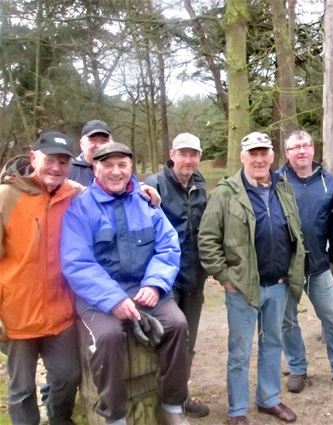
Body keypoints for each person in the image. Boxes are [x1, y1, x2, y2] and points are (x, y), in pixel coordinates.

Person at [60, 142, 191, 425]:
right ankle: (115, 416)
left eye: (122, 165)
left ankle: (172, 404)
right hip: (98, 295)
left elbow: (168, 247)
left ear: (131, 167)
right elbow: (77, 262)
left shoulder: (147, 203)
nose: (116, 172)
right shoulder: (80, 209)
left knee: (177, 325)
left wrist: (156, 284)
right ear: (94, 168)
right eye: (107, 165)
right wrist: (113, 299)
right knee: (107, 338)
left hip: (145, 288)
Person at [199, 132, 305, 425]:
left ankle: (269, 399)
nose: (259, 159)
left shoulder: (282, 187)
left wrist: (291, 270)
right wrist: (224, 276)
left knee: (272, 344)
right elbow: (207, 240)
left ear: (272, 157)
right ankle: (237, 410)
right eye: (253, 153)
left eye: (264, 153)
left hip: (278, 284)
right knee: (240, 351)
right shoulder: (226, 193)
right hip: (242, 288)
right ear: (243, 157)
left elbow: (294, 230)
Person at [0, 131, 81, 425]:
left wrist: (146, 191)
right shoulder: (7, 196)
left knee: (68, 375)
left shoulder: (74, 195)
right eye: (50, 160)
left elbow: (111, 193)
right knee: (21, 389)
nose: (56, 168)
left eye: (63, 161)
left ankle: (60, 419)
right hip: (17, 315)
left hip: (60, 314)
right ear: (34, 157)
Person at [279, 130, 333, 395]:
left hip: (318, 266)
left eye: (305, 145)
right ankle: (297, 368)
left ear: (313, 149)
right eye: (295, 147)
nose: (301, 151)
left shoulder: (328, 182)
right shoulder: (276, 181)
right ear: (287, 153)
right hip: (285, 268)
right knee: (287, 321)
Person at [146, 132, 209, 418]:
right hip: (164, 281)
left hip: (195, 277)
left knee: (188, 342)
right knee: (163, 340)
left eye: (193, 154)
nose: (188, 160)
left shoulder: (200, 185)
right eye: (183, 154)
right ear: (172, 154)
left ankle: (179, 397)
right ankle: (155, 403)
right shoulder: (154, 185)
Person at [70, 119, 112, 185]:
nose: (99, 146)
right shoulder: (68, 170)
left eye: (104, 141)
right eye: (93, 140)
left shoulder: (120, 171)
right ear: (82, 144)